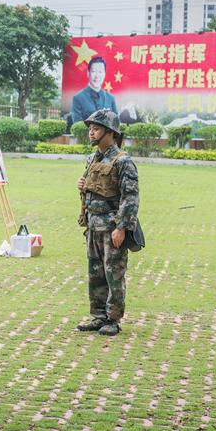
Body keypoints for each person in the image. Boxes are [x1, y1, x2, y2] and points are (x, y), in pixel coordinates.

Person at [75, 109, 139, 337]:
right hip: (93, 225)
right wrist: (82, 186)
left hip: (112, 227)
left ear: (110, 133)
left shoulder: (123, 161)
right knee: (96, 274)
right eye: (90, 128)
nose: (91, 132)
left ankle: (113, 319)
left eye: (96, 128)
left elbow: (130, 198)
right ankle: (98, 316)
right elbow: (91, 191)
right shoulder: (93, 159)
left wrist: (122, 227)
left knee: (114, 275)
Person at [69, 57, 118, 126]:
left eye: (100, 72)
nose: (97, 76)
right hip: (86, 136)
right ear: (88, 73)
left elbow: (116, 123)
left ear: (104, 74)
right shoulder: (78, 98)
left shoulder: (110, 98)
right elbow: (78, 126)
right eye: (94, 71)